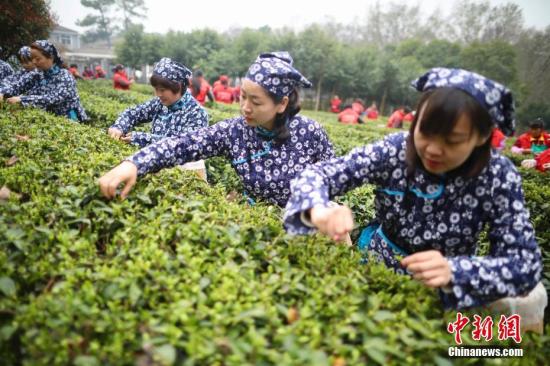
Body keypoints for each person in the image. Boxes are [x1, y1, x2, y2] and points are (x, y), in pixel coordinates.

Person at [284, 67, 543, 313]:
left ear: (483, 136)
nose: (432, 149)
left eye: (452, 140)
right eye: (425, 132)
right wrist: (317, 209)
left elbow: (524, 263)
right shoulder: (396, 150)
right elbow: (319, 174)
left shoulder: (497, 174)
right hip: (376, 267)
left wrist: (457, 271)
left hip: (444, 287)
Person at [98, 51, 335, 207]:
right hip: (257, 217)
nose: (245, 108)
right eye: (243, 97)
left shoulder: (310, 133)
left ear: (282, 103)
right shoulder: (235, 132)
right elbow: (183, 145)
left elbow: (333, 180)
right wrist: (134, 163)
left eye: (256, 101)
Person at [107, 58, 209, 179]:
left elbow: (181, 146)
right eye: (156, 89)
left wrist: (141, 138)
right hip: (157, 168)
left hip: (184, 177)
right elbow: (133, 113)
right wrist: (118, 126)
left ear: (178, 86)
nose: (158, 94)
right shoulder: (159, 103)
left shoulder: (197, 113)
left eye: (162, 90)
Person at [0, 40, 88, 122]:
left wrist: (22, 99)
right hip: (52, 119)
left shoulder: (65, 76)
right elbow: (17, 86)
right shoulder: (37, 74)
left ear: (51, 57)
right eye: (32, 58)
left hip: (71, 119)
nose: (34, 62)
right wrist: (2, 93)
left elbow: (52, 98)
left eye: (37, 59)